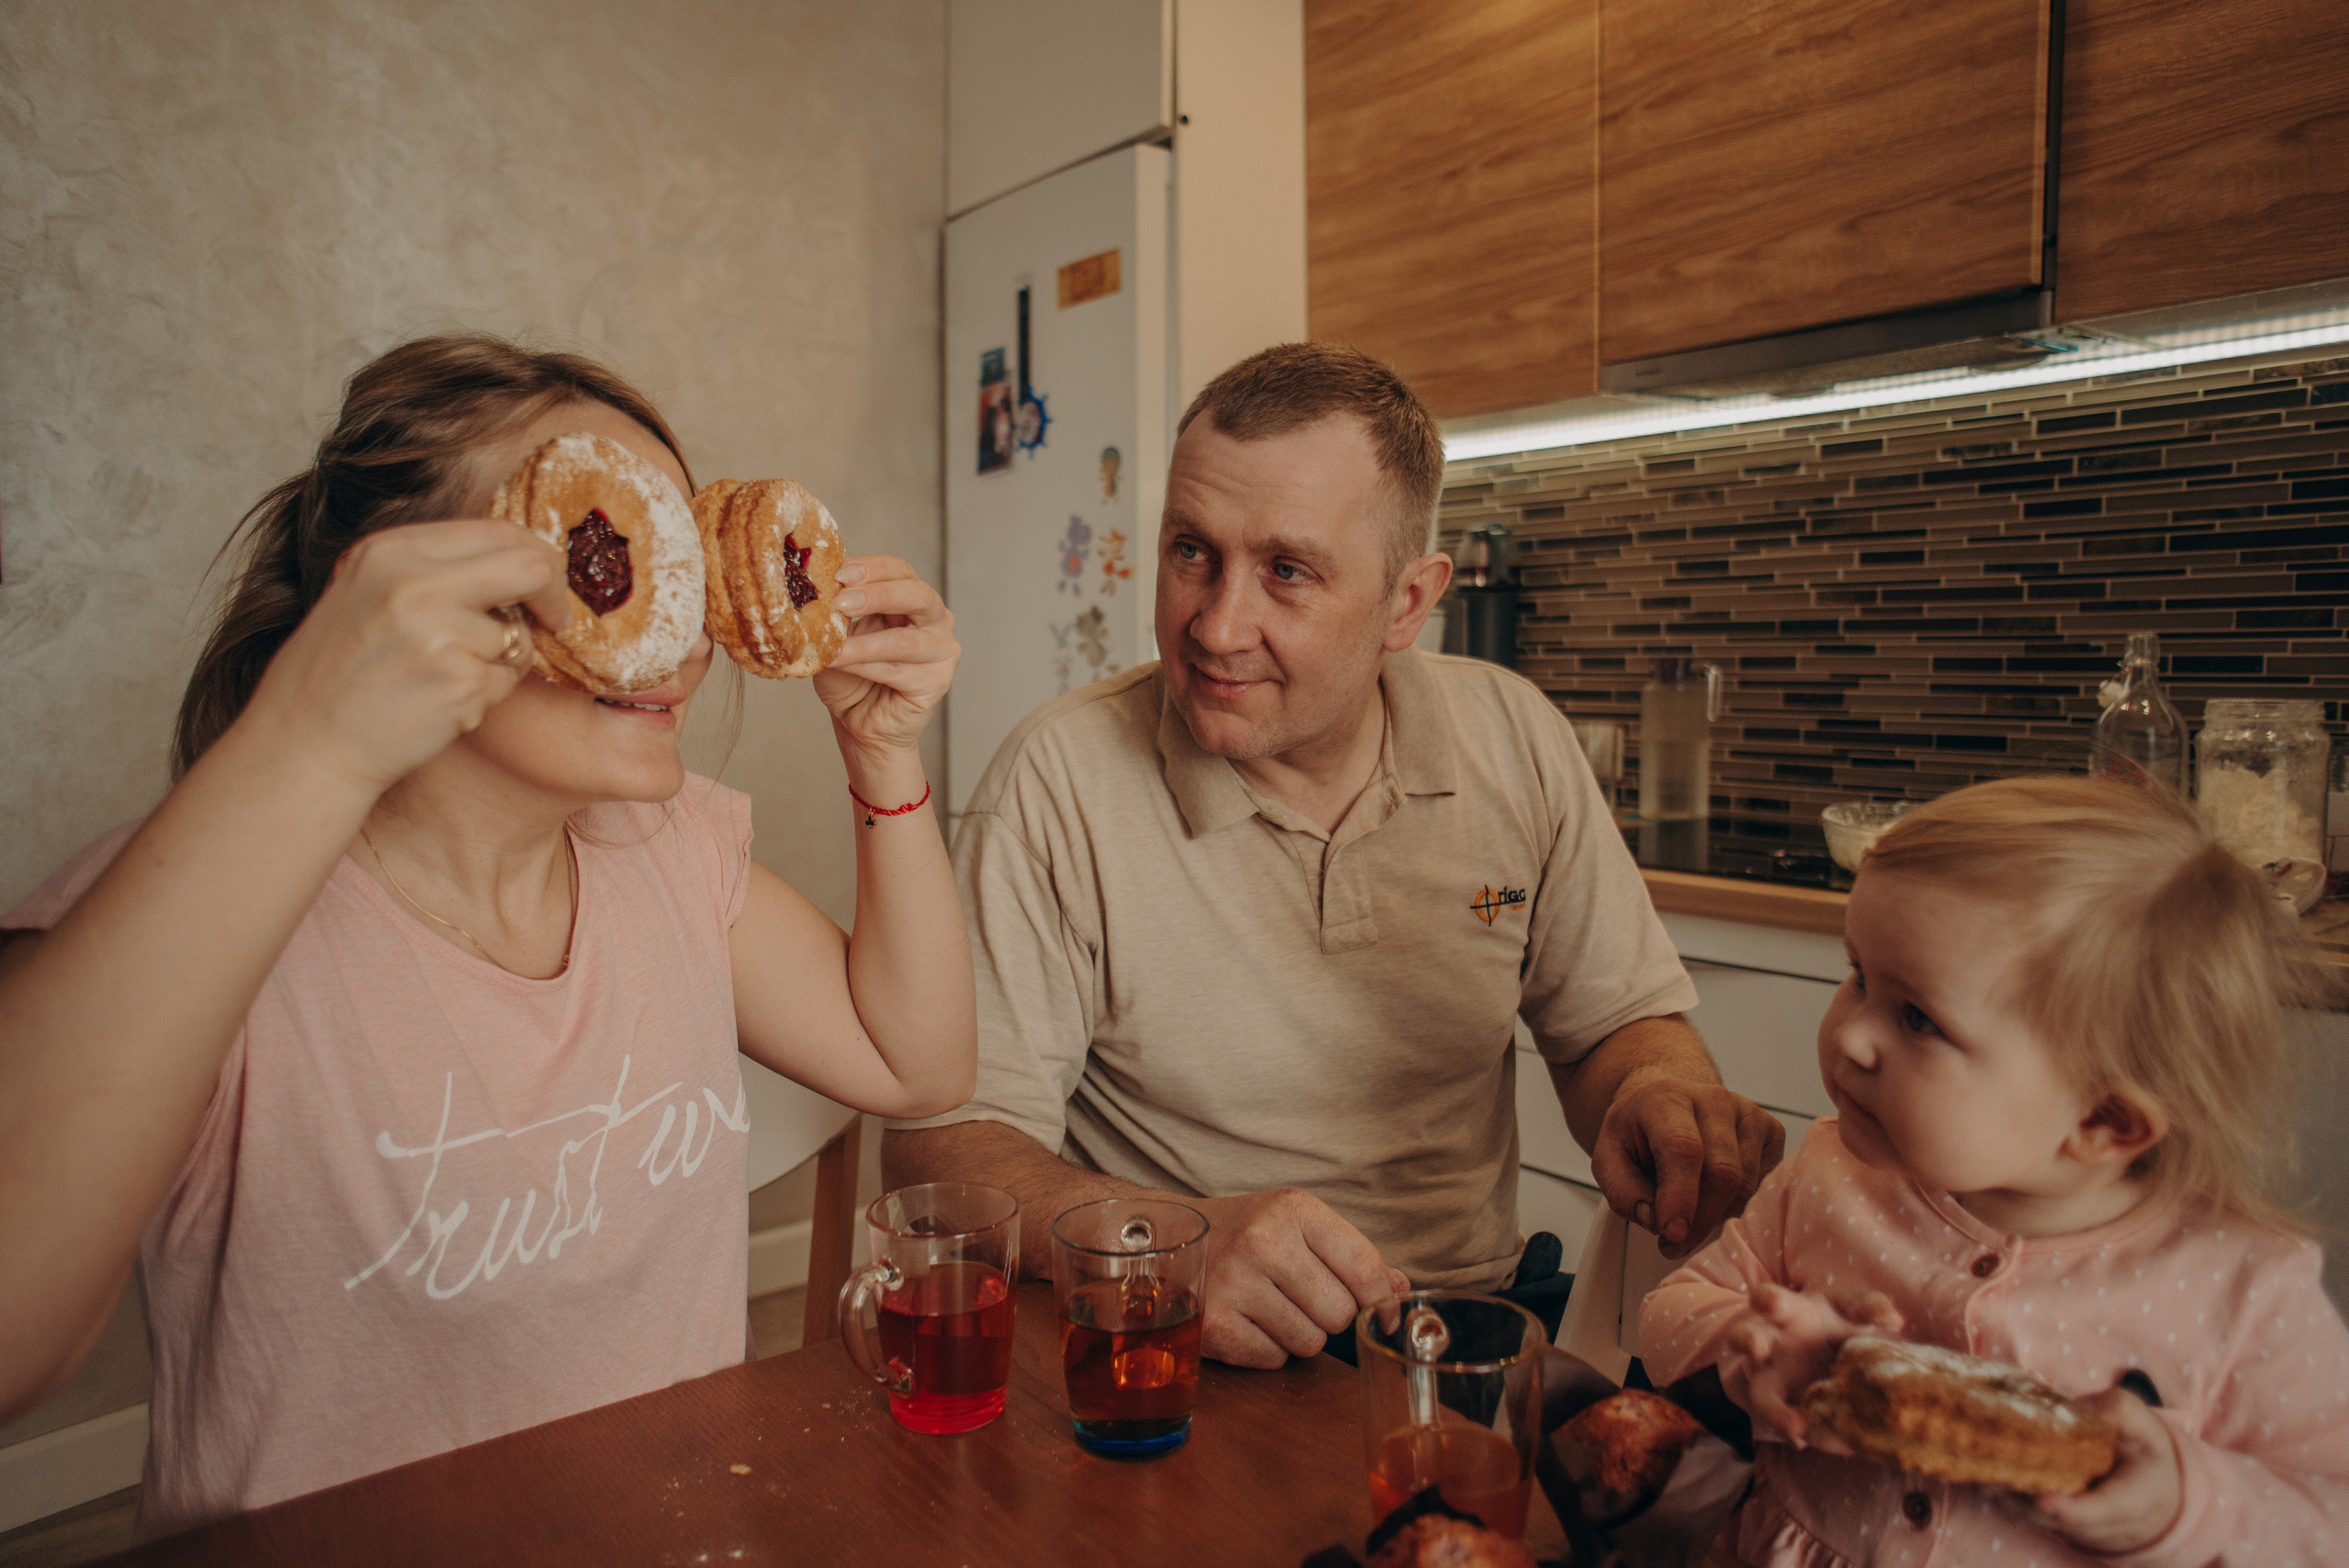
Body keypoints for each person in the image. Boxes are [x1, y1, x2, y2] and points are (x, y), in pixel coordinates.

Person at [0, 336, 973, 1531]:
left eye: (685, 564)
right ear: (387, 593)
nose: (677, 631)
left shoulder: (666, 850)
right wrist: (314, 731)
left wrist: (884, 753)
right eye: (611, 553)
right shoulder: (202, 913)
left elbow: (916, 1061)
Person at [885, 342, 1783, 1369]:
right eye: (1191, 551)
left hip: (1474, 1322)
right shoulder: (1057, 779)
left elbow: (1612, 1028)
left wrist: (1652, 1091)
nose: (1217, 623)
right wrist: (1165, 1245)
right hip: (1179, 1340)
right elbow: (940, 1147)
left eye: (1286, 570)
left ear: (1409, 602)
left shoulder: (1514, 737)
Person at [1640, 775, 2349, 1563]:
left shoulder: (2243, 1287)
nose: (1849, 1036)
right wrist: (1749, 1348)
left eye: (1917, 1017)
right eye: (1858, 976)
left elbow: (2331, 1515)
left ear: (2101, 1120)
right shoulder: (1830, 1175)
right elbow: (1671, 1311)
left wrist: (2188, 1502)